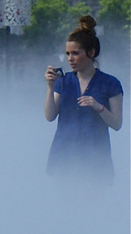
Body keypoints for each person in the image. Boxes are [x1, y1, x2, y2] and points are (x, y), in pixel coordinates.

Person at [43, 15, 123, 185]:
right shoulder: (63, 82)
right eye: (67, 54)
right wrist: (50, 87)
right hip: (64, 156)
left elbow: (117, 124)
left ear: (91, 53)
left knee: (92, 206)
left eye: (75, 53)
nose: (70, 58)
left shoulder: (110, 84)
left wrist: (99, 107)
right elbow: (50, 116)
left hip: (95, 160)